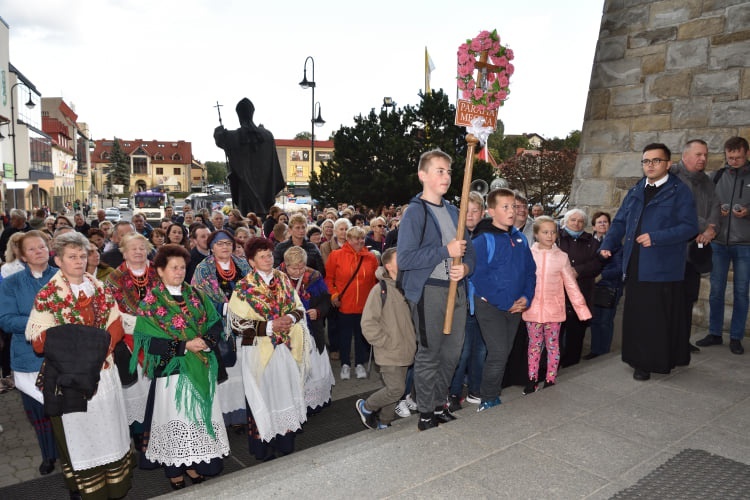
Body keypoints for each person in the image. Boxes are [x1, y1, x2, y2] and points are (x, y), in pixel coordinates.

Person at [26, 231, 135, 499]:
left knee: (110, 430)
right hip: (71, 378)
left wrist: (101, 349)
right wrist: (81, 350)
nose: (79, 261)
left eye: (83, 256)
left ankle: (115, 487)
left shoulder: (100, 287)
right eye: (72, 256)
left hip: (104, 372)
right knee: (83, 437)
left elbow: (116, 323)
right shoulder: (48, 294)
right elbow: (40, 342)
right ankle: (90, 489)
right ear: (59, 260)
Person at [132, 244, 229, 489]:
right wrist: (184, 346)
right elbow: (148, 341)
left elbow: (215, 322)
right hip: (172, 372)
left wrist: (205, 342)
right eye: (173, 267)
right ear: (161, 271)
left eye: (183, 267)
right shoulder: (151, 301)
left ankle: (194, 463)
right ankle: (174, 470)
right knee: (176, 421)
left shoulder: (196, 294)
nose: (179, 272)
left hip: (201, 366)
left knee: (196, 420)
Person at [600, 143, 698, 381]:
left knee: (656, 317)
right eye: (646, 161)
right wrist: (607, 245)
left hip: (663, 266)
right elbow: (621, 221)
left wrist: (656, 238)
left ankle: (651, 362)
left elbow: (690, 227)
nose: (650, 165)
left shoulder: (679, 191)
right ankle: (638, 359)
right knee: (637, 315)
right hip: (634, 263)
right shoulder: (636, 190)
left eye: (656, 161)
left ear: (667, 164)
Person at [397, 149, 476, 430]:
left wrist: (465, 267)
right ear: (423, 175)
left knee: (453, 353)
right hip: (429, 291)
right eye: (439, 171)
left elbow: (470, 253)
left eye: (449, 171)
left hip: (457, 289)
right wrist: (446, 251)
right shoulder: (415, 213)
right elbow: (405, 259)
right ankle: (426, 411)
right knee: (430, 354)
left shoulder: (456, 211)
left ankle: (440, 402)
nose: (446, 176)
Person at [227, 238, 311, 461]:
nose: (267, 259)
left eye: (269, 254)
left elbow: (299, 307)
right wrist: (270, 326)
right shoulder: (244, 288)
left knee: (285, 392)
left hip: (284, 349)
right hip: (258, 350)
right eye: (262, 256)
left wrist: (290, 318)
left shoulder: (283, 279)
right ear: (252, 261)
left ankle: (285, 441)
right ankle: (263, 447)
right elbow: (236, 323)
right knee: (263, 395)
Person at [469, 188, 536, 411]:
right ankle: (488, 399)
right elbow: (480, 276)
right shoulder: (482, 240)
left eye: (514, 206)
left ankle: (491, 393)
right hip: (491, 305)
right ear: (491, 211)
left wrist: (526, 297)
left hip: (516, 306)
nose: (512, 211)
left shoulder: (519, 237)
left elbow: (530, 271)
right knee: (497, 352)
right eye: (505, 207)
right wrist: (507, 302)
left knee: (504, 351)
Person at [0, 231, 59, 475]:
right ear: (22, 256)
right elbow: (6, 320)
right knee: (38, 412)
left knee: (63, 410)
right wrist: (40, 322)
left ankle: (69, 457)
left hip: (61, 355)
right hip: (28, 356)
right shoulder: (12, 283)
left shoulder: (62, 277)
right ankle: (48, 456)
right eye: (32, 249)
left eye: (42, 247)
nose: (39, 251)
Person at [104, 233, 161, 450]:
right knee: (135, 389)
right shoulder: (114, 278)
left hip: (160, 335)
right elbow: (111, 310)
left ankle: (159, 426)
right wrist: (138, 323)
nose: (138, 251)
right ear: (124, 252)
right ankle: (139, 433)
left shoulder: (159, 272)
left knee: (157, 386)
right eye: (133, 248)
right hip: (128, 340)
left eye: (142, 247)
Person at [522, 216, 590, 394]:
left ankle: (551, 378)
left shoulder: (562, 257)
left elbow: (571, 285)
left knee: (553, 345)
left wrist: (581, 310)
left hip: (554, 310)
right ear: (536, 234)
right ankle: (532, 379)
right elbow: (520, 280)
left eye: (553, 232)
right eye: (545, 232)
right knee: (534, 346)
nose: (550, 235)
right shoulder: (528, 254)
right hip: (533, 309)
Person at [192, 230, 251, 426]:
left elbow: (255, 290)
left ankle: (245, 414)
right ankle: (225, 418)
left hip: (246, 327)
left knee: (246, 373)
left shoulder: (242, 264)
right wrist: (224, 307)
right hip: (220, 329)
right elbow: (198, 300)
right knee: (227, 375)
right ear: (211, 247)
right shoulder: (203, 269)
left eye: (228, 243)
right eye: (219, 244)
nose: (224, 247)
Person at [697, 136, 750, 355]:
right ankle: (715, 333)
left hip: (745, 244)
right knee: (716, 290)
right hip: (718, 243)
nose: (734, 161)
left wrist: (748, 211)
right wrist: (716, 212)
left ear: (747, 154)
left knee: (741, 292)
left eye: (738, 157)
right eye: (730, 157)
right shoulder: (716, 175)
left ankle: (736, 337)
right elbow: (706, 203)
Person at [356, 248, 417, 429]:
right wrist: (385, 342)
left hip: (406, 348)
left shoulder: (408, 286)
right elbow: (367, 323)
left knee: (395, 390)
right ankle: (366, 406)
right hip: (389, 349)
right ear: (388, 265)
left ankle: (384, 421)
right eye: (400, 258)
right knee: (396, 389)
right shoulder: (379, 290)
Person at [670, 139, 720, 354]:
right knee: (671, 297)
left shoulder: (707, 181)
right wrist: (703, 226)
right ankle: (668, 341)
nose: (703, 159)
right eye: (699, 154)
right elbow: (680, 208)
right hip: (673, 250)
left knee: (689, 295)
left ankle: (682, 341)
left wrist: (712, 229)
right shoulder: (671, 175)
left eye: (705, 155)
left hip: (696, 251)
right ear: (686, 155)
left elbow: (716, 206)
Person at [280, 246, 334, 411]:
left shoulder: (314, 277)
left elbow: (326, 301)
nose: (298, 271)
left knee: (314, 368)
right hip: (287, 334)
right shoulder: (276, 278)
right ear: (286, 265)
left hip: (312, 332)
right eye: (294, 268)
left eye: (301, 266)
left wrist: (317, 311)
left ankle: (315, 403)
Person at [214, 98, 285, 219]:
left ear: (239, 116)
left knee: (247, 217)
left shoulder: (235, 136)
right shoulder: (267, 135)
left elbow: (220, 137)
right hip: (265, 189)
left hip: (245, 189)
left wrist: (219, 130)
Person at [448, 191, 487, 410]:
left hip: (482, 302)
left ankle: (475, 389)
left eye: (475, 211)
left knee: (480, 351)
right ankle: (453, 392)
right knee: (461, 352)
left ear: (482, 212)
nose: (471, 216)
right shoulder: (454, 236)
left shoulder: (488, 234)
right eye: (467, 211)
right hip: (461, 303)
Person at [325, 225, 378, 380]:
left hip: (365, 305)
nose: (360, 241)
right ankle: (345, 364)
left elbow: (375, 281)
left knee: (362, 335)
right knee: (345, 336)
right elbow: (329, 278)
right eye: (356, 238)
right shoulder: (336, 255)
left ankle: (360, 364)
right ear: (348, 239)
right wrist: (333, 295)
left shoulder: (371, 257)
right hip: (344, 305)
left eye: (362, 238)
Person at [557, 208, 602, 367]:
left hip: (581, 292)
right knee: (555, 333)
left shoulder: (592, 241)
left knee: (576, 333)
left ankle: (571, 364)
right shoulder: (556, 238)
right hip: (558, 294)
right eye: (573, 220)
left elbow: (597, 263)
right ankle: (553, 364)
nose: (577, 223)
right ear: (566, 221)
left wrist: (578, 270)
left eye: (580, 221)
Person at [585, 212, 624, 359]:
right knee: (594, 321)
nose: (602, 224)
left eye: (605, 222)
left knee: (605, 322)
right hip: (593, 288)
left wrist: (601, 275)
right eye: (599, 222)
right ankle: (595, 351)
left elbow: (619, 268)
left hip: (610, 287)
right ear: (594, 226)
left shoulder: (617, 245)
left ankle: (603, 353)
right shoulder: (590, 243)